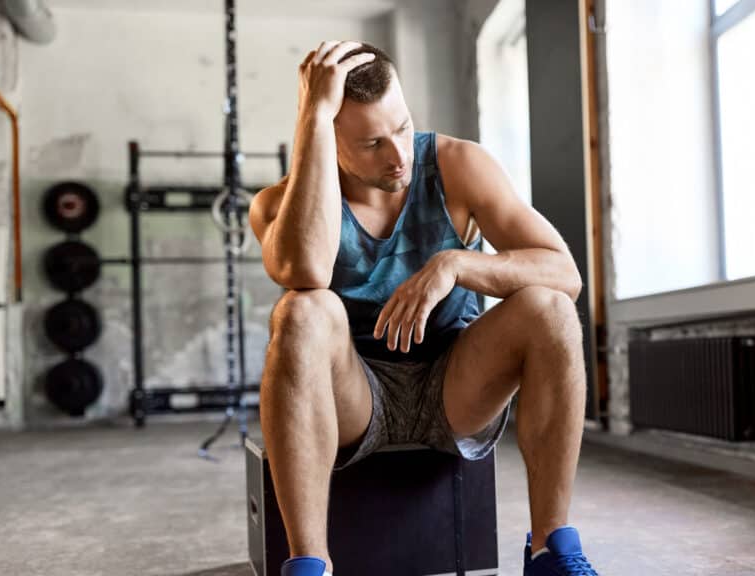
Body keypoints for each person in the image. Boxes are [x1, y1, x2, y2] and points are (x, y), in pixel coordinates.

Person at [249, 40, 600, 576]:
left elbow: (564, 274)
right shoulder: (276, 205)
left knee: (549, 310)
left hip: (455, 385)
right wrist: (313, 117)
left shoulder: (459, 165)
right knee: (300, 312)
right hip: (354, 398)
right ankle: (309, 566)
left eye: (404, 127)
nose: (398, 156)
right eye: (370, 143)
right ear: (328, 137)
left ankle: (551, 549)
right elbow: (305, 273)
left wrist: (457, 265)